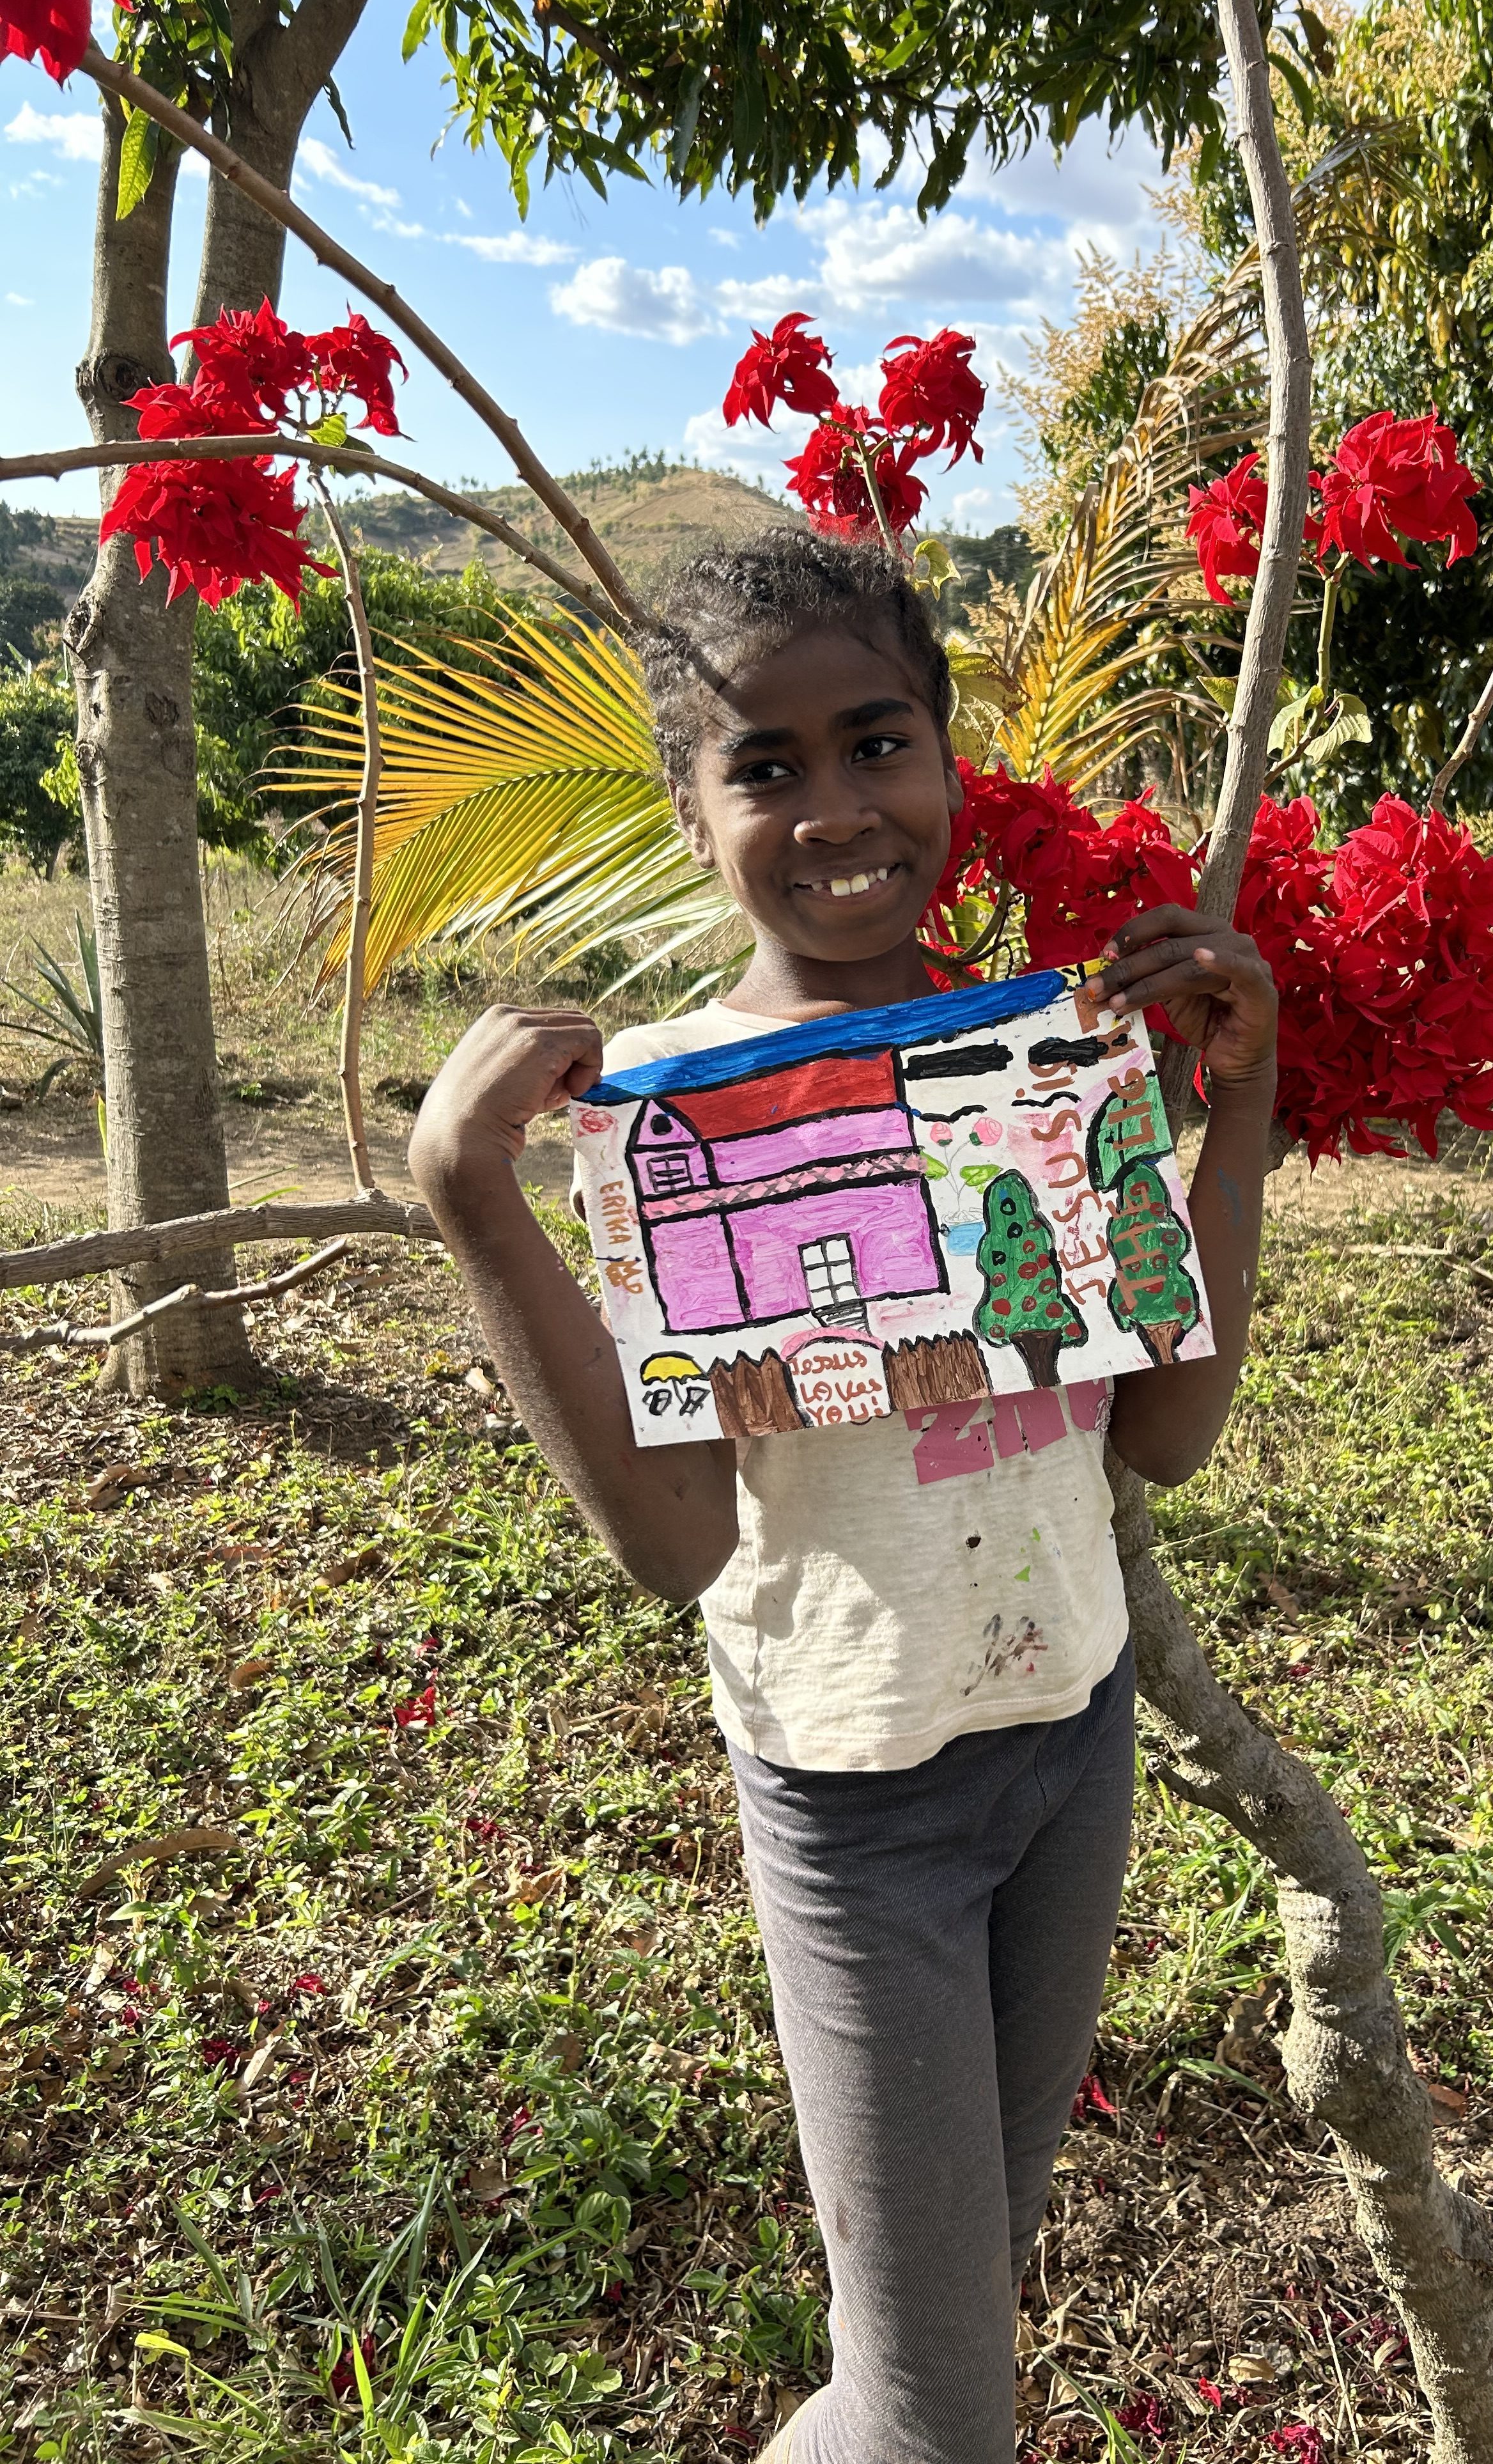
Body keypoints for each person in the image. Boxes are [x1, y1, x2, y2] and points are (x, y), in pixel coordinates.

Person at [410, 529, 1279, 2463]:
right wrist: (473, 1205)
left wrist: (1240, 1109)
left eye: (878, 741)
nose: (835, 808)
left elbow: (1164, 1432)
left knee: (959, 2307)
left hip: (1072, 1738)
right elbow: (676, 1542)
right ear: (691, 807)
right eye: (766, 766)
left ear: (950, 759)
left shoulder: (1048, 1063)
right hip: (855, 1800)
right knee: (940, 2406)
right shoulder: (662, 1109)